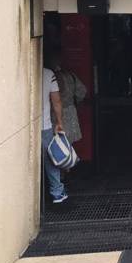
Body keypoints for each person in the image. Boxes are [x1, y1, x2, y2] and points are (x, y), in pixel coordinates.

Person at [48, 52, 87, 146]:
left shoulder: (50, 77)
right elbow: (82, 91)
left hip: (54, 115)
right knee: (68, 146)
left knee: (55, 146)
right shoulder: (71, 76)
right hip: (70, 113)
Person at [42, 66, 68, 204]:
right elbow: (56, 101)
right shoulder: (48, 74)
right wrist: (59, 122)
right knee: (50, 159)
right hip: (44, 125)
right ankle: (57, 192)